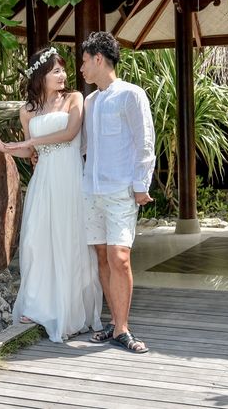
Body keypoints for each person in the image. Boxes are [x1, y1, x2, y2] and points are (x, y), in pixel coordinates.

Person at [0, 46, 102, 343]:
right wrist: (6, 148)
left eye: (63, 70)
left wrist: (31, 142)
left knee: (68, 240)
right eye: (55, 71)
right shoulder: (27, 110)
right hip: (43, 179)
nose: (62, 75)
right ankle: (38, 306)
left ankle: (69, 310)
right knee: (37, 240)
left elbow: (70, 133)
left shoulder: (74, 98)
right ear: (41, 76)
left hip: (69, 178)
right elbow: (29, 151)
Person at [80, 31, 155, 354]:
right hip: (91, 189)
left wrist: (141, 185)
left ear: (99, 59)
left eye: (84, 61)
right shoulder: (90, 101)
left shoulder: (131, 95)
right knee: (101, 256)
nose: (81, 68)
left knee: (119, 258)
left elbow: (145, 142)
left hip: (120, 189)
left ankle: (123, 329)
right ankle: (114, 323)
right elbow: (84, 146)